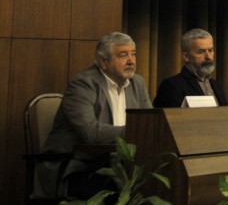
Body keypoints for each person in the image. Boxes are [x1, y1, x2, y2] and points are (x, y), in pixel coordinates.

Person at [37, 32, 152, 199]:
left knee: (159, 182)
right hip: (79, 165)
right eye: (123, 55)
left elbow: (150, 122)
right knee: (115, 191)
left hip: (122, 164)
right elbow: (91, 132)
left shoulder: (137, 83)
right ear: (104, 62)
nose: (131, 61)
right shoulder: (83, 84)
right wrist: (135, 131)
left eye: (133, 54)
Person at [153, 28, 228, 107]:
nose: (208, 57)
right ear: (186, 56)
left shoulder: (216, 86)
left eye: (210, 50)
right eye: (201, 52)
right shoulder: (172, 86)